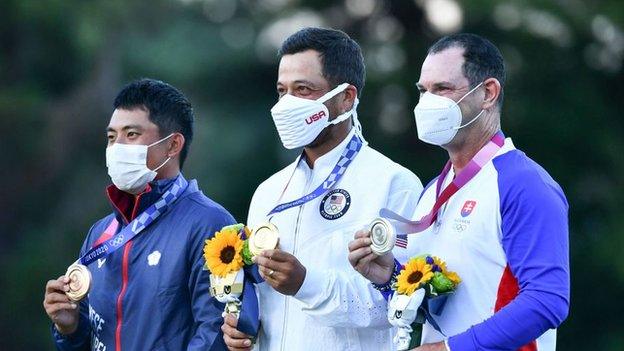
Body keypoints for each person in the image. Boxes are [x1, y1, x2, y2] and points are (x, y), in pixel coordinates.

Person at [348, 33, 570, 351]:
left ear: (488, 93)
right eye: (423, 91)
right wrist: (386, 276)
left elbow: (547, 300)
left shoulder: (524, 184)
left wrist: (452, 348)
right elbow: (432, 305)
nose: (427, 103)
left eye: (443, 89)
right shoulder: (431, 194)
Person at [221, 27, 424, 351]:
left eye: (303, 90)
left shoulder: (393, 183)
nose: (287, 104)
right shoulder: (269, 192)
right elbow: (262, 300)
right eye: (282, 90)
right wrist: (242, 326)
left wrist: (305, 284)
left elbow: (398, 304)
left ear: (346, 98)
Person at [43, 78, 234, 351]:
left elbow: (216, 334)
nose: (117, 147)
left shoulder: (210, 224)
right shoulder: (101, 233)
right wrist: (70, 328)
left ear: (173, 145)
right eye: (111, 137)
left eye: (131, 134)